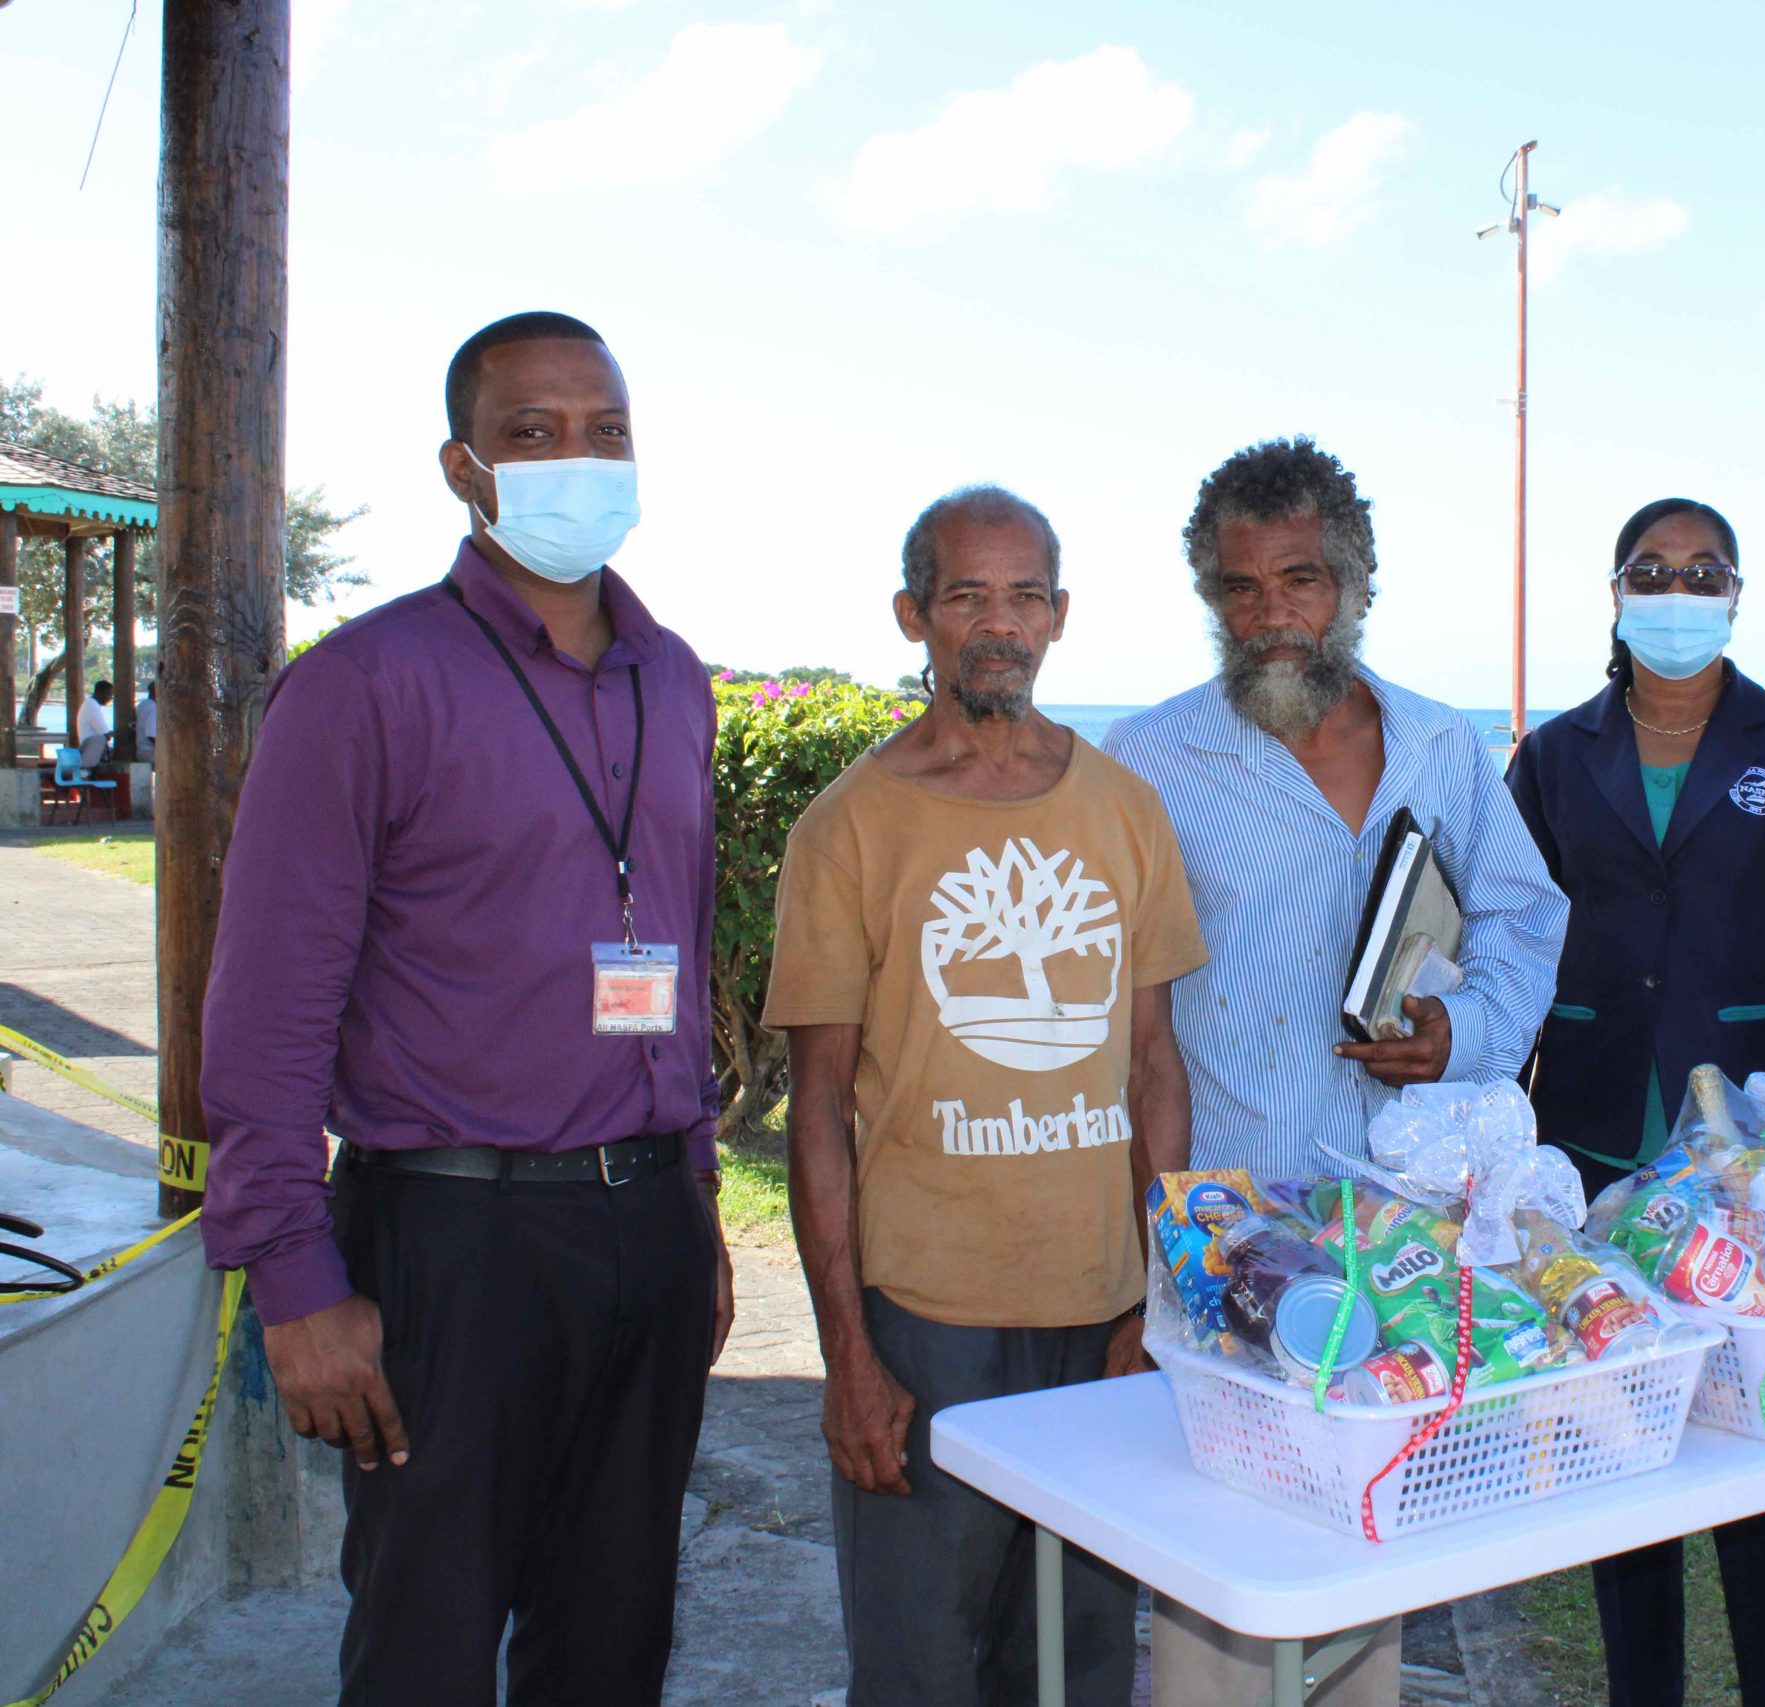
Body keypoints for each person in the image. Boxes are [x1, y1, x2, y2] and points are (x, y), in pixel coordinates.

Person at [200, 310, 733, 1707]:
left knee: (614, 1634)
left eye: (604, 430)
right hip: (452, 1241)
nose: (578, 458)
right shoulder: (363, 686)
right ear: (463, 466)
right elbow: (265, 1014)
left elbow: (676, 963)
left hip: (649, 1229)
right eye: (533, 433)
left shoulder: (676, 682)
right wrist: (294, 1281)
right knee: (428, 1642)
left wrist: (695, 1204)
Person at [1107, 437, 1567, 1706]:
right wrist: (1152, 1243)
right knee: (1220, 1566)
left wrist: (1461, 1037)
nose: (1272, 618)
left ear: (1357, 583)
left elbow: (1526, 918)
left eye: (1300, 581)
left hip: (1399, 1223)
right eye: (1238, 590)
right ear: (1208, 596)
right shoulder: (1150, 762)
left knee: (1373, 1538)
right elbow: (1119, 1019)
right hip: (1233, 1227)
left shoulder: (1440, 746)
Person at [764, 485, 1205, 1707]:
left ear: (1060, 616)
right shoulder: (848, 828)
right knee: (917, 1673)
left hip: (1103, 1320)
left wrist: (1163, 1298)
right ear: (915, 614)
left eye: (1023, 594)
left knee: (1068, 1668)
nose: (996, 621)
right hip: (925, 1328)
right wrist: (848, 1352)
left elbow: (1156, 1066)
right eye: (966, 594)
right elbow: (816, 1108)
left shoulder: (1124, 810)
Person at [1506, 497, 1765, 1707]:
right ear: (1614, 595)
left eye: (1701, 571)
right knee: (1628, 1421)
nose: (1677, 592)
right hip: (1595, 1122)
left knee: (1755, 1414)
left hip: (1751, 1140)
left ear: (1735, 592)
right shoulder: (1557, 756)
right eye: (1651, 571)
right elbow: (1512, 936)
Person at [75, 678, 113, 769]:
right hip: (90, 751)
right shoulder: (92, 706)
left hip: (89, 748)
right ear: (101, 693)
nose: (111, 698)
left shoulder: (89, 704)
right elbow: (105, 734)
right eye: (110, 694)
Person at [136, 678, 158, 763]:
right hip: (148, 752)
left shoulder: (142, 705)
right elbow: (151, 735)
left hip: (141, 751)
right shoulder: (153, 708)